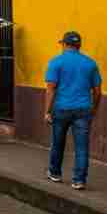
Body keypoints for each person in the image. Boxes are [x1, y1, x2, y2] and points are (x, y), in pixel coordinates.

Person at [45, 31, 102, 190]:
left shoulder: (56, 62)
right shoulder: (90, 63)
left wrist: (47, 111)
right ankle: (79, 180)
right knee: (82, 147)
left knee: (57, 143)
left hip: (61, 109)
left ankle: (55, 173)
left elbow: (51, 89)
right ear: (79, 45)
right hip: (83, 110)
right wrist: (94, 109)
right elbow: (97, 91)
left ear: (64, 44)